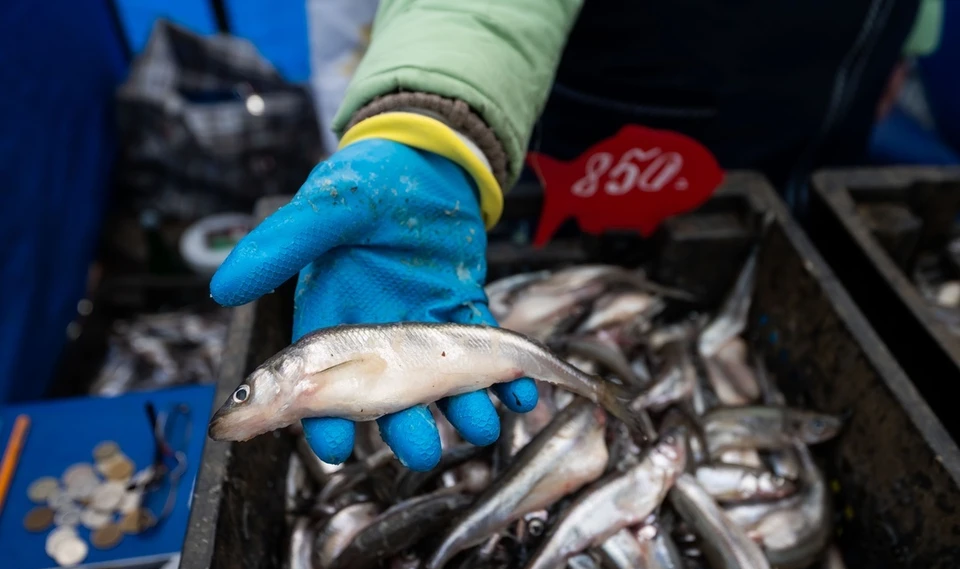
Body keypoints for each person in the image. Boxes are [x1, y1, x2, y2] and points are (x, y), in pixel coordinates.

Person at [211, 0, 943, 471]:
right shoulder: (310, 376)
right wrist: (437, 116)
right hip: (594, 121)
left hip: (827, 106)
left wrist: (912, 29)